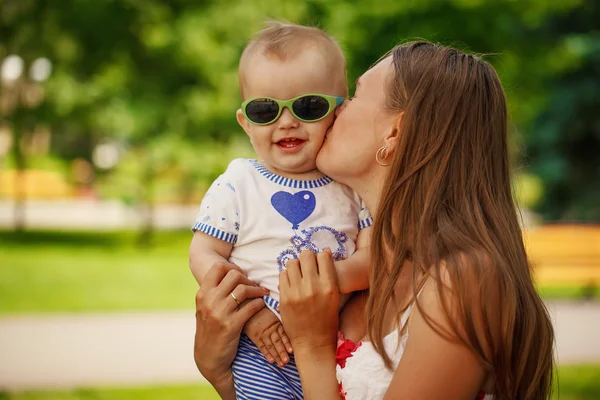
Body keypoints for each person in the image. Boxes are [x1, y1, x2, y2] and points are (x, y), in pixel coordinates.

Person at [194, 40, 555, 400]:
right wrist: (223, 376)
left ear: (394, 133)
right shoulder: (358, 278)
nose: (333, 111)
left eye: (353, 97)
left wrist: (311, 345)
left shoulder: (463, 281)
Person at [189, 22, 372, 400]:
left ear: (340, 112)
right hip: (258, 349)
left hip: (333, 346)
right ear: (245, 122)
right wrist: (252, 314)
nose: (286, 121)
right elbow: (204, 252)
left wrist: (327, 281)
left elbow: (374, 258)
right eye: (264, 110)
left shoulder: (351, 186)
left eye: (308, 106)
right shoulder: (238, 182)